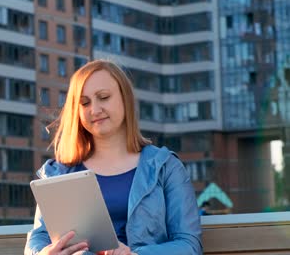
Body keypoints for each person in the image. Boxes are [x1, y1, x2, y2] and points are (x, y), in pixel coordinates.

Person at [24, 60, 202, 255]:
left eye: (104, 97)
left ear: (125, 99)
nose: (95, 110)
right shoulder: (59, 172)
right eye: (85, 103)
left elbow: (189, 245)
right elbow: (39, 236)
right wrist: (43, 253)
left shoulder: (165, 166)